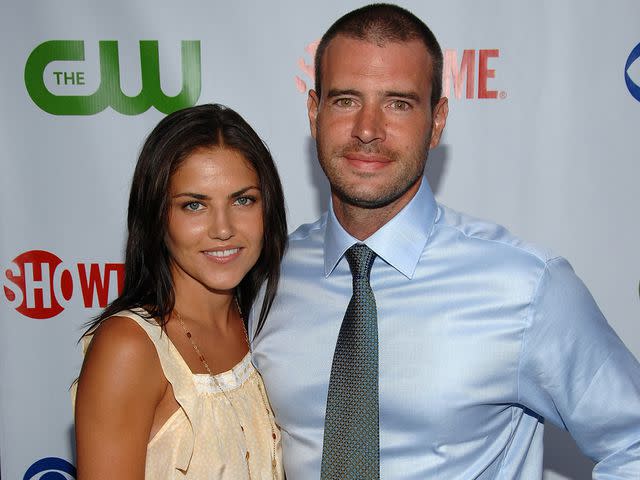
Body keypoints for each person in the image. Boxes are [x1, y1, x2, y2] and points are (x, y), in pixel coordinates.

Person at [249, 4, 640, 479]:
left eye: (398, 103)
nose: (367, 129)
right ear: (314, 112)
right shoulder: (267, 277)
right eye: (346, 100)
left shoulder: (525, 287)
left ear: (437, 122)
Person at [74, 104, 287, 479]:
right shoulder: (130, 348)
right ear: (156, 216)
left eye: (243, 200)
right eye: (194, 205)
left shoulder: (267, 321)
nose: (223, 228)